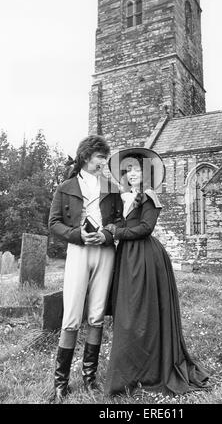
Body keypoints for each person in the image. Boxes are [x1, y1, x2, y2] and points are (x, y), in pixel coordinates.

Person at [103, 147, 209, 396]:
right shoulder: (126, 197)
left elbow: (144, 229)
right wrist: (111, 225)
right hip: (127, 257)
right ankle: (130, 371)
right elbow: (125, 223)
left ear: (146, 173)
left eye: (137, 170)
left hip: (145, 258)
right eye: (128, 170)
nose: (133, 174)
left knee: (142, 312)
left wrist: (116, 232)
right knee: (128, 313)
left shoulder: (150, 197)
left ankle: (150, 368)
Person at [48, 135, 122, 403]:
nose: (104, 161)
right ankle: (61, 383)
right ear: (86, 157)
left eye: (105, 157)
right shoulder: (65, 186)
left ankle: (89, 379)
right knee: (71, 316)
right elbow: (54, 223)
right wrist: (77, 235)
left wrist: (107, 235)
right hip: (78, 252)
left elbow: (118, 220)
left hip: (105, 252)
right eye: (100, 156)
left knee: (97, 314)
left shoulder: (111, 187)